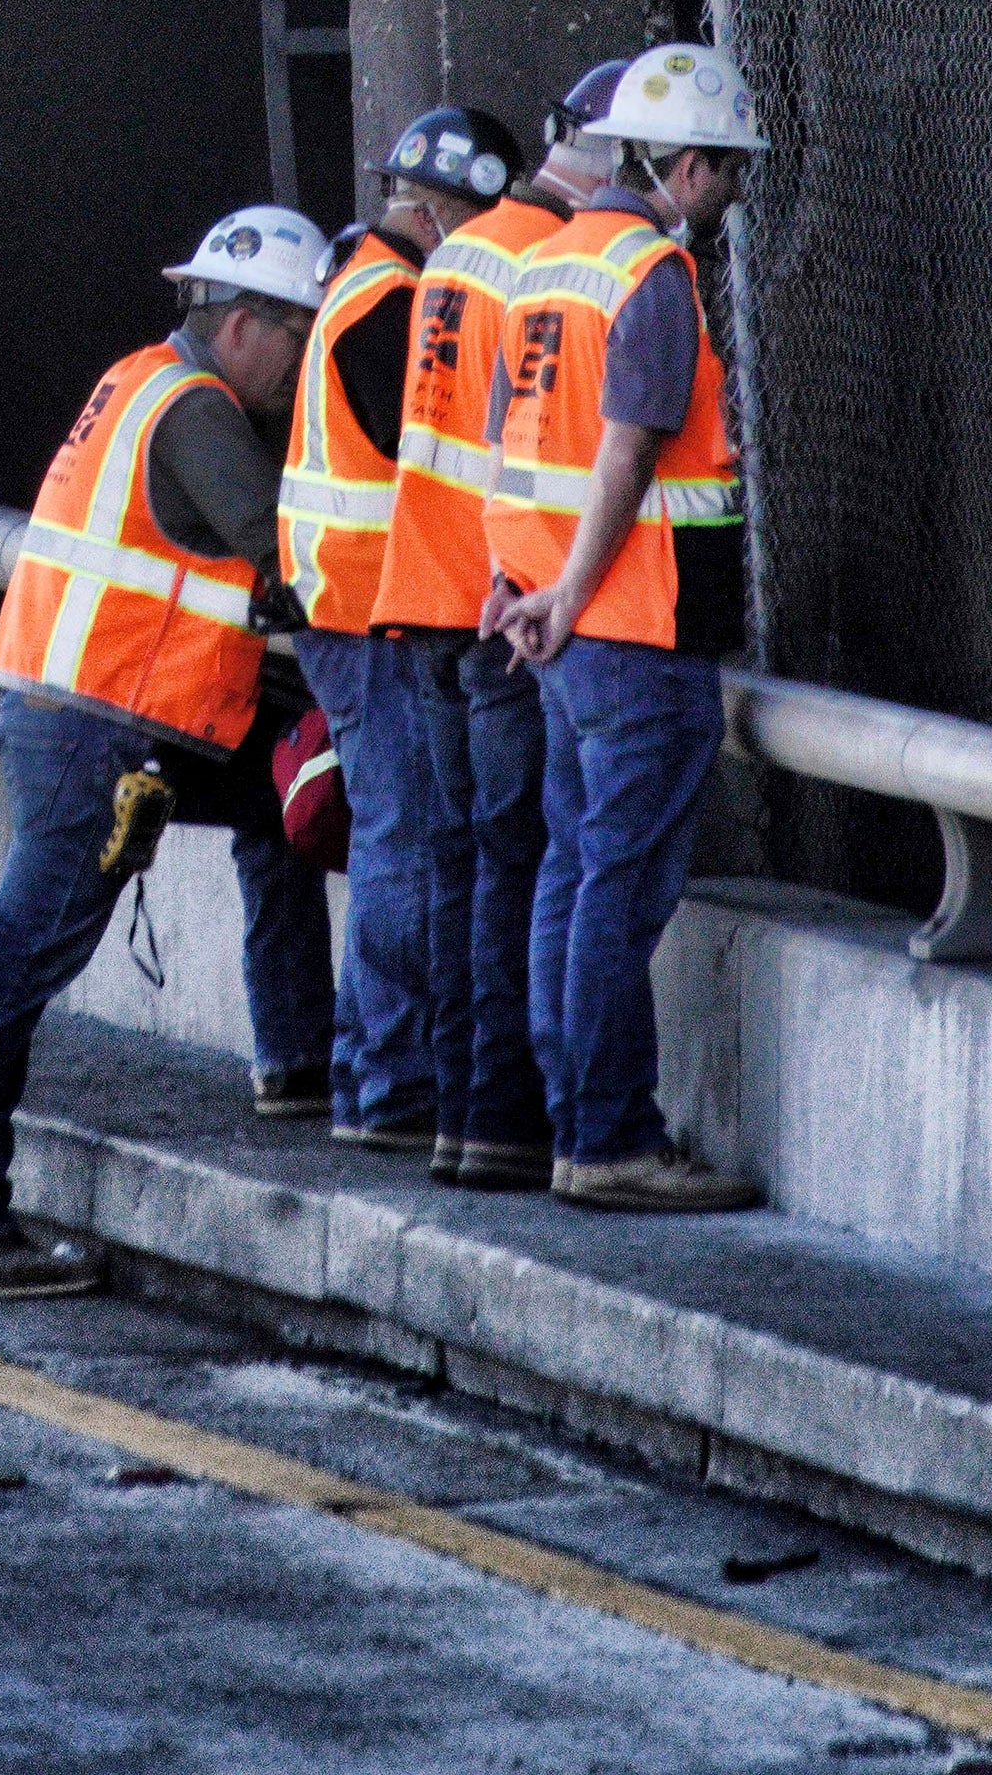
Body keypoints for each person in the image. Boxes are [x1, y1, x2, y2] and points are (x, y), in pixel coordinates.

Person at [0, 204, 346, 1297]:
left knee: (288, 798)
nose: (304, 367)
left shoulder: (140, 378)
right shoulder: (199, 414)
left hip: (121, 713)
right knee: (16, 962)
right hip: (98, 727)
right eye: (300, 339)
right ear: (246, 322)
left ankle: (301, 1060)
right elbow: (287, 556)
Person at [482, 40, 771, 1214]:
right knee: (615, 882)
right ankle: (608, 1133)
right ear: (688, 165)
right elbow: (624, 451)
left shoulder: (547, 263)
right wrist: (569, 591)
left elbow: (514, 453)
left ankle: (575, 1120)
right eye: (733, 171)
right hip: (631, 627)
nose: (739, 194)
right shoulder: (652, 272)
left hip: (560, 626)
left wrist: (520, 586)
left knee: (571, 866)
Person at [359, 74, 606, 1191]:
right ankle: (508, 1121)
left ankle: (467, 1118)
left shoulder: (456, 256)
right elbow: (536, 444)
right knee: (514, 860)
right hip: (493, 603)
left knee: (463, 865)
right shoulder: (551, 262)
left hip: (423, 595)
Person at [284, 99, 533, 1160]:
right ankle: (390, 1081)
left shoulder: (367, 288)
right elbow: (428, 447)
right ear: (443, 214)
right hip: (370, 603)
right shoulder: (394, 302)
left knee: (404, 836)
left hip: (350, 598)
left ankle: (371, 1073)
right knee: (404, 838)